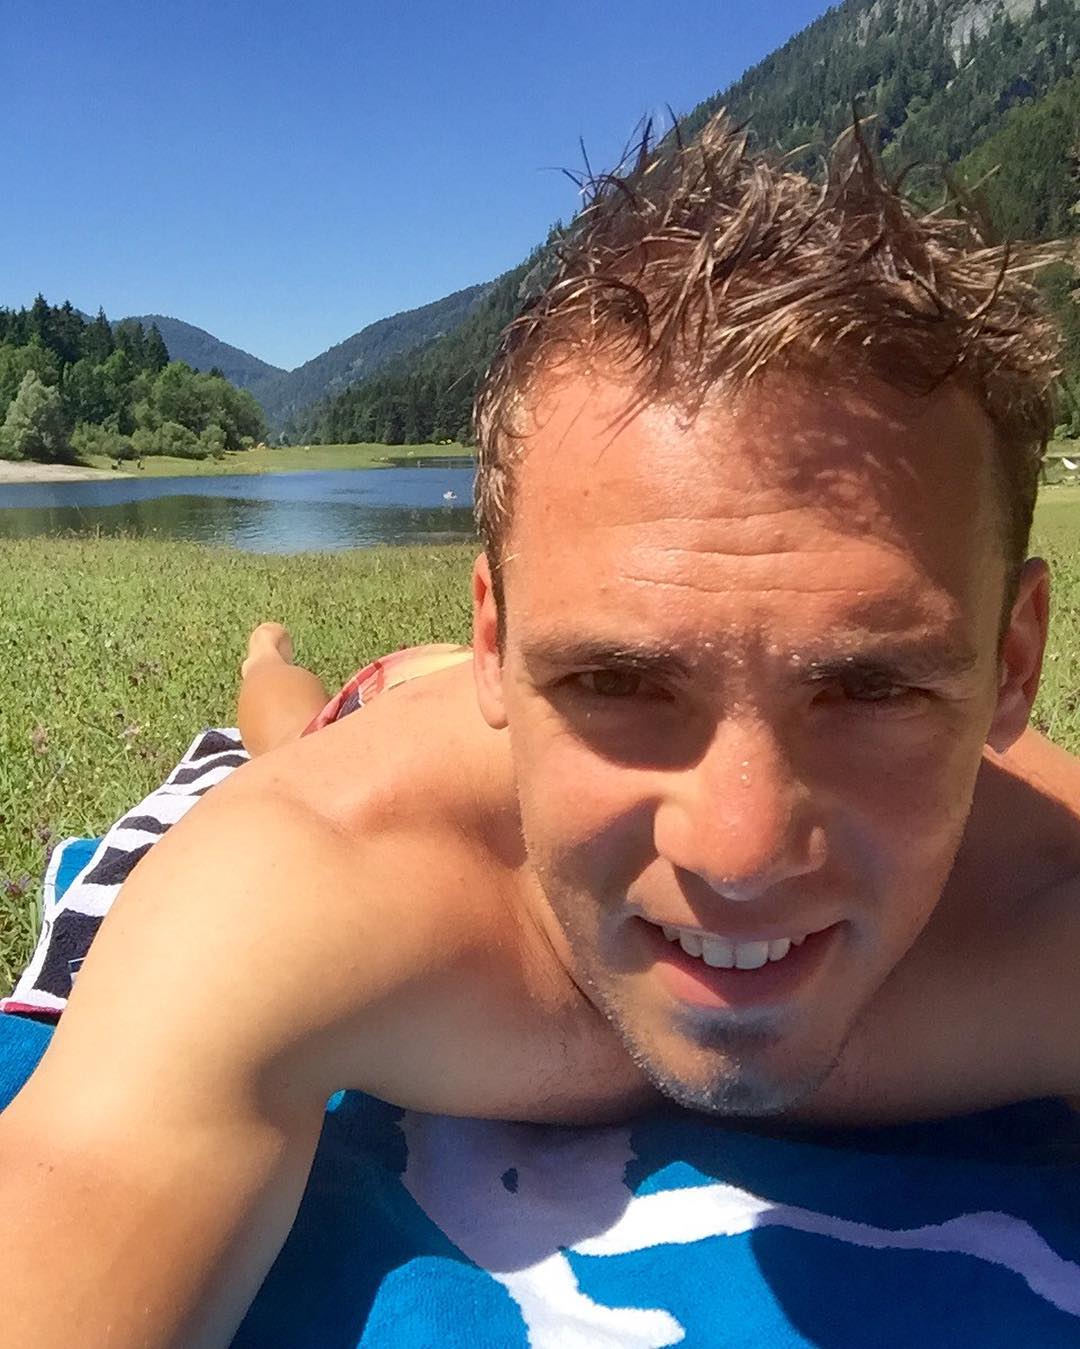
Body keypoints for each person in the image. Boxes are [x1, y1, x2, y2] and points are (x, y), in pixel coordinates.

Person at [2, 109, 1078, 1345]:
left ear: (1013, 664)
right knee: (288, 727)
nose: (738, 856)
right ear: (500, 648)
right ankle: (270, 652)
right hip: (389, 721)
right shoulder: (313, 880)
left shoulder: (1054, 915)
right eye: (615, 681)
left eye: (872, 691)